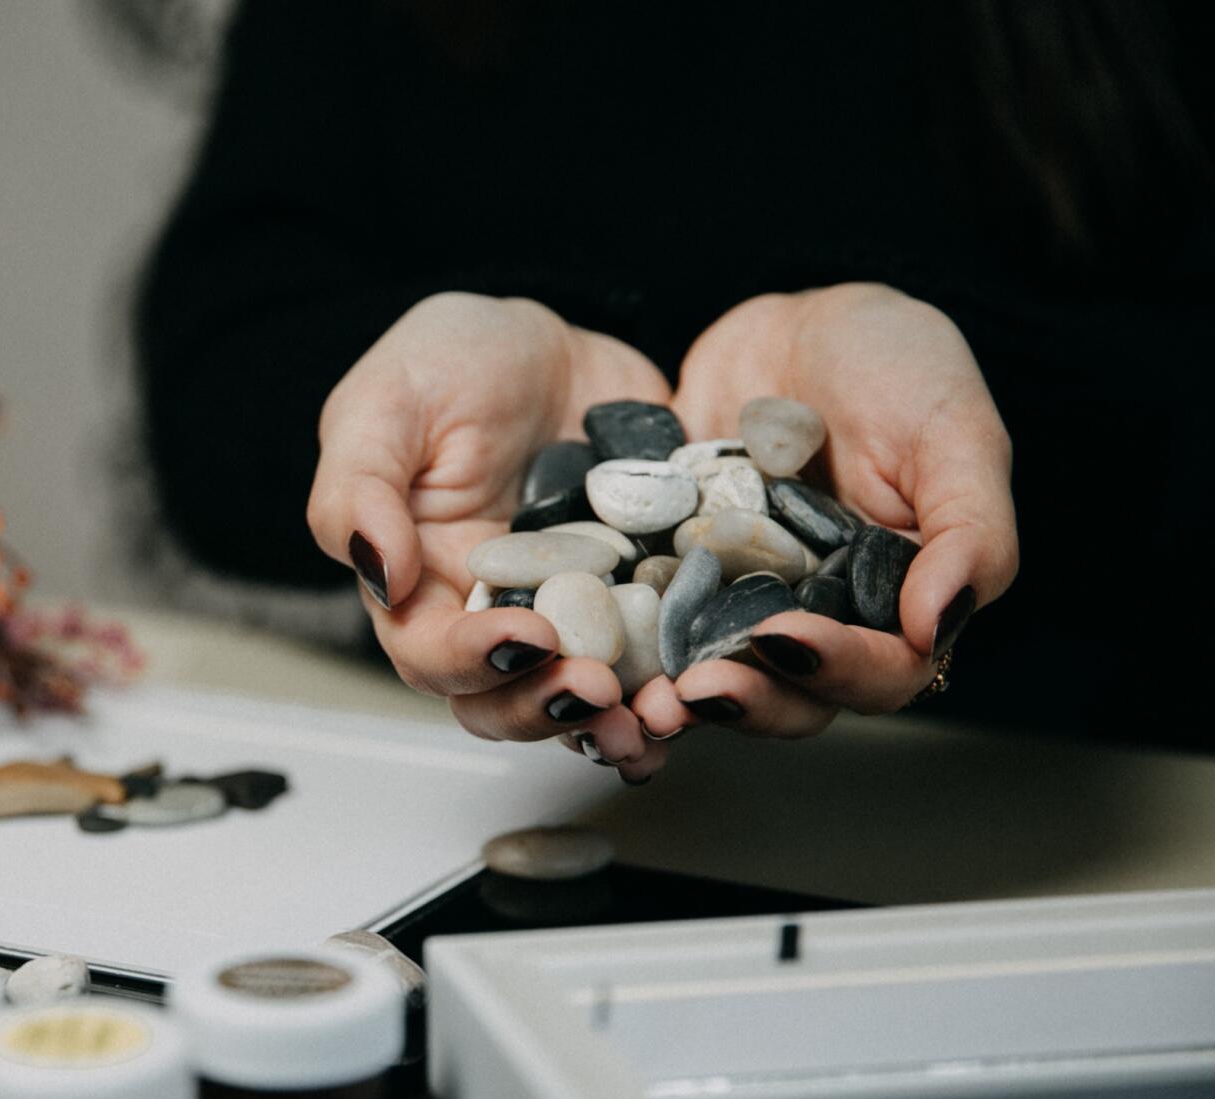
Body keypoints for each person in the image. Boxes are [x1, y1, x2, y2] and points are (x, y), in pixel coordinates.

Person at [137, 0, 1214, 778]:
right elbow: (212, 379)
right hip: (465, 810)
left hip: (1059, 804)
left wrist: (979, 408)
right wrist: (418, 403)